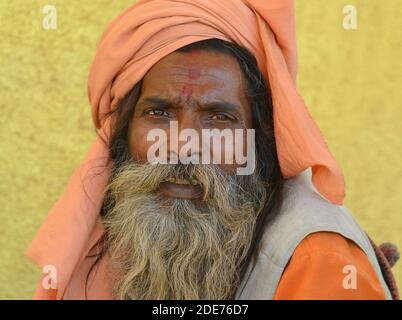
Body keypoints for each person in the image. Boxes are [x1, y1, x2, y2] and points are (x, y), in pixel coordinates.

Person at [26, 0, 399, 300]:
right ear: (123, 133)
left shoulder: (317, 261)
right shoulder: (124, 231)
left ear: (260, 136)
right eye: (159, 113)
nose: (184, 146)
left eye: (218, 117)